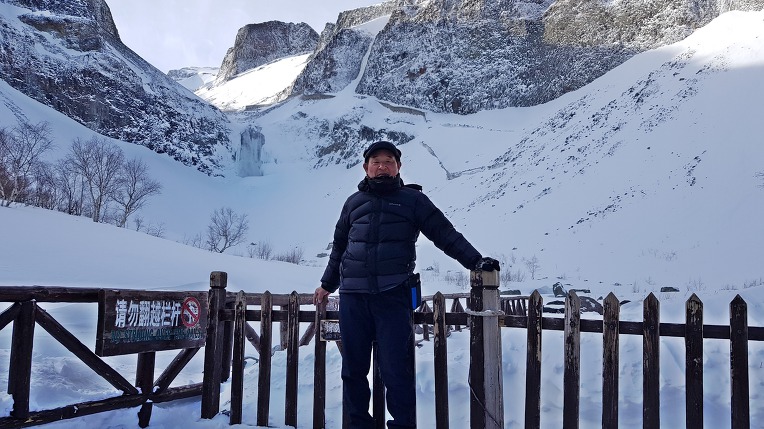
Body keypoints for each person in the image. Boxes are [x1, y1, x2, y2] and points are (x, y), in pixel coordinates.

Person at [313, 140, 499, 428]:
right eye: (376, 161)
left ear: (398, 167)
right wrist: (327, 283)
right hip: (353, 296)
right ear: (365, 167)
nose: (382, 166)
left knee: (397, 370)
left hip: (393, 295)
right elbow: (340, 247)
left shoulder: (413, 200)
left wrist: (474, 260)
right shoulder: (353, 203)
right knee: (353, 370)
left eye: (389, 161)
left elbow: (444, 233)